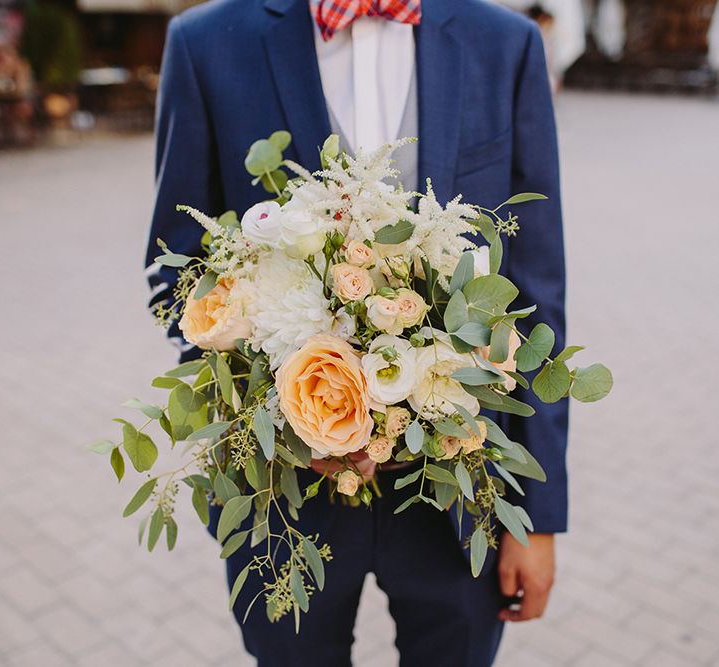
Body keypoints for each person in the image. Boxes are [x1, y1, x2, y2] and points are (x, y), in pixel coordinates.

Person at [146, 1, 568, 665]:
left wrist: (538, 515)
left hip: (461, 498)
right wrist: (270, 412)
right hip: (284, 501)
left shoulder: (503, 43)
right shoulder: (207, 42)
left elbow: (537, 289)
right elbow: (174, 277)